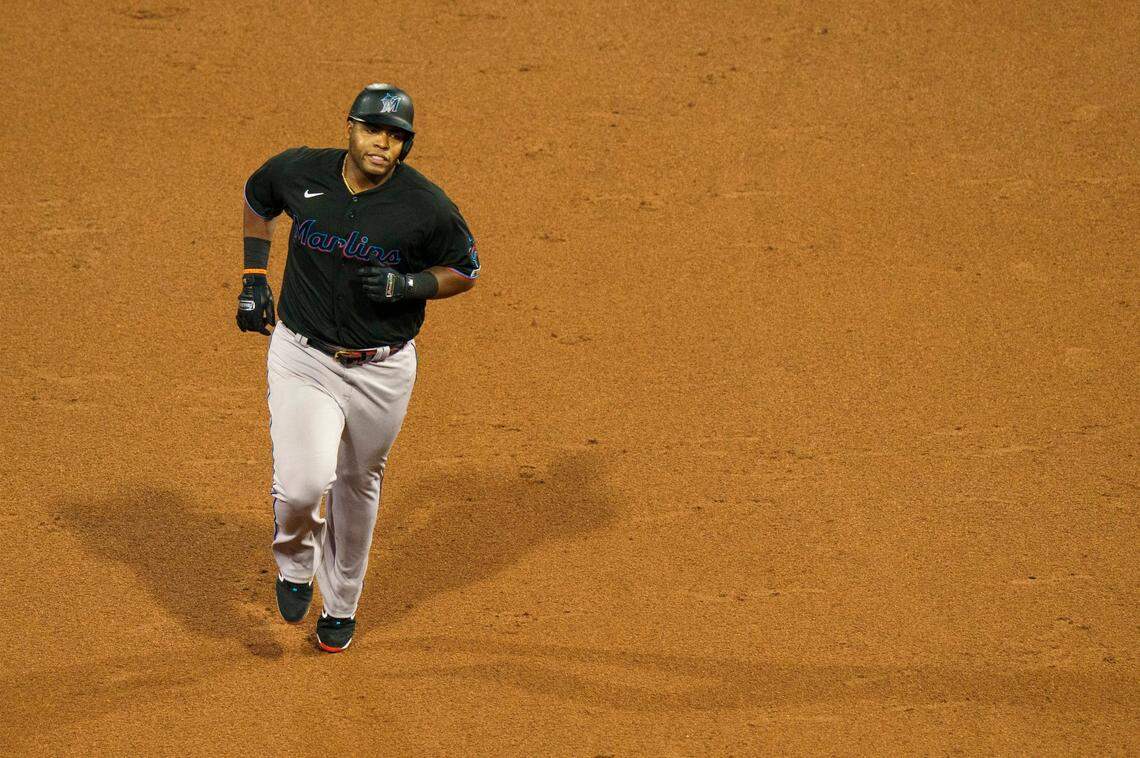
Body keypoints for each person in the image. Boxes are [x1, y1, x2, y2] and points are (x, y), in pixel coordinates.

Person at [236, 83, 480, 652]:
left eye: (396, 137)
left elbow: (465, 269)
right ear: (350, 127)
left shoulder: (426, 206)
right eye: (373, 130)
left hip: (382, 369)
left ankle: (341, 604)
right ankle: (295, 563)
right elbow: (257, 197)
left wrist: (409, 285)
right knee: (302, 486)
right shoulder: (300, 170)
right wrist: (253, 277)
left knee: (358, 481)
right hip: (303, 355)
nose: (382, 144)